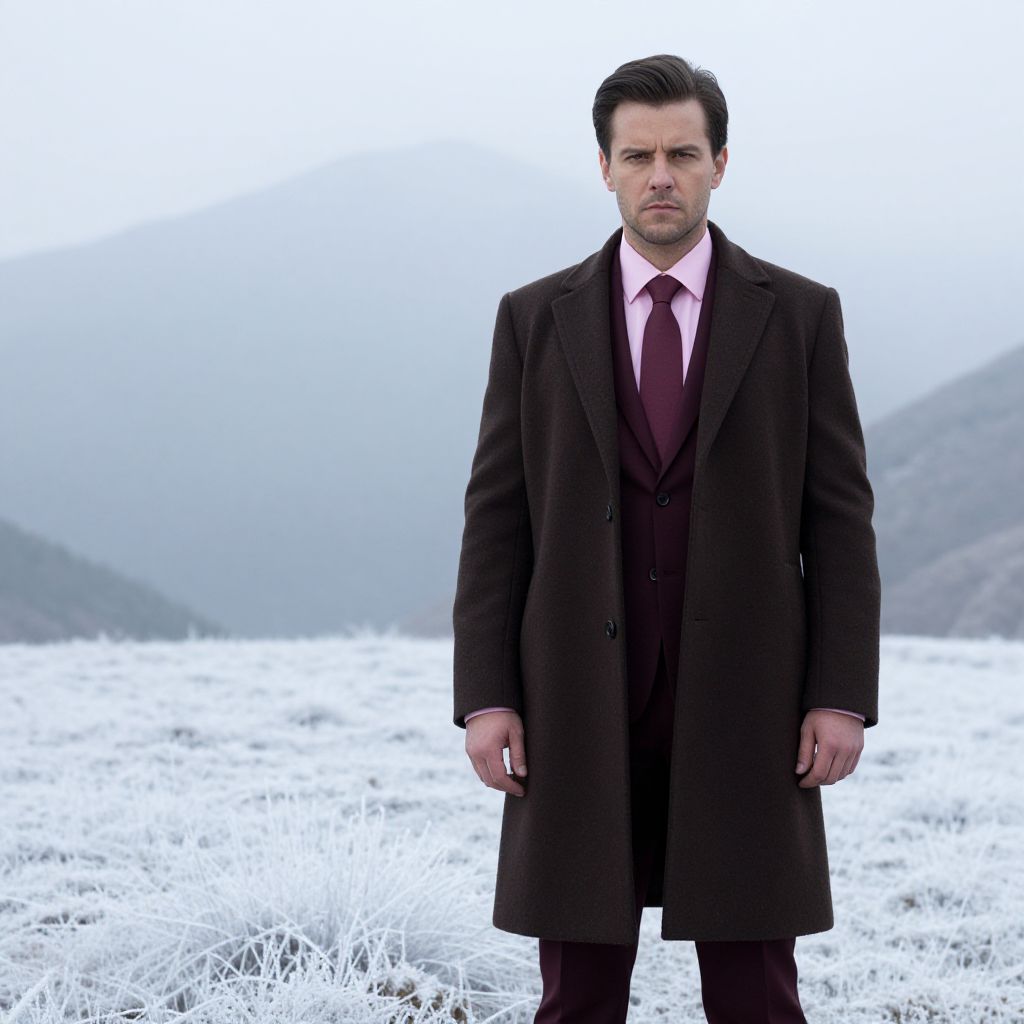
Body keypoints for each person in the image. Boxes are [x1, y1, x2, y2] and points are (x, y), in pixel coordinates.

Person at [452, 53, 880, 1024]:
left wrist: (840, 694)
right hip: (573, 701)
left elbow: (839, 523)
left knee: (756, 996)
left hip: (751, 701)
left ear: (719, 163)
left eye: (682, 154)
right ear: (603, 166)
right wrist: (487, 695)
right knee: (575, 1000)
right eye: (637, 155)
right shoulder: (533, 318)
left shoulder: (800, 315)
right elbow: (498, 520)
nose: (660, 176)